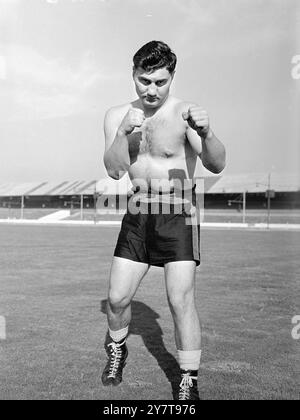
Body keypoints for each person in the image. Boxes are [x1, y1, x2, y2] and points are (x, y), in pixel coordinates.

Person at [101, 40, 226, 400]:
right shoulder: (116, 115)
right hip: (138, 211)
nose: (151, 90)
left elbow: (217, 164)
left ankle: (188, 379)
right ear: (133, 76)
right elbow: (112, 171)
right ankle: (117, 350)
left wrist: (207, 133)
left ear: (172, 77)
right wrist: (123, 134)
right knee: (117, 299)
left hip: (178, 213)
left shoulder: (186, 113)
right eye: (144, 81)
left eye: (160, 81)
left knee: (180, 299)